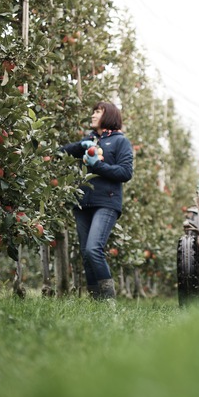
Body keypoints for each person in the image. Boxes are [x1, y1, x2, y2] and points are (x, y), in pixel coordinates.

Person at [61, 102, 134, 300]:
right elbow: (62, 152)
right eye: (93, 112)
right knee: (86, 254)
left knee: (94, 249)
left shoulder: (120, 142)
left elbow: (126, 172)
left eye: (97, 112)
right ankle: (96, 301)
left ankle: (109, 300)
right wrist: (81, 145)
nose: (93, 115)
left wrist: (99, 166)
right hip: (83, 203)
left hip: (107, 203)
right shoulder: (91, 140)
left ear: (108, 116)